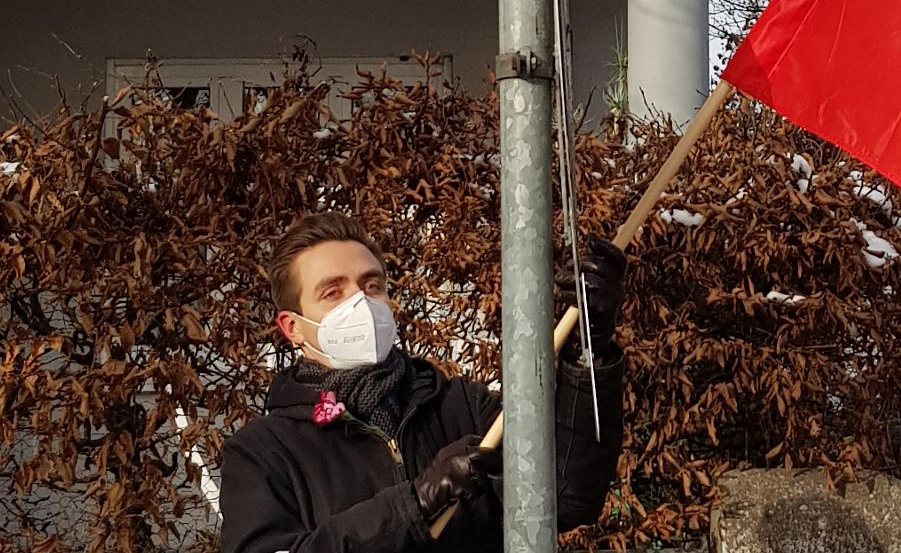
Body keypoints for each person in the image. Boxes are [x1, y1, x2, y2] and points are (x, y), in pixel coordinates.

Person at [219, 212, 626, 553]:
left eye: (371, 285)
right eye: (332, 292)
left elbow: (565, 494)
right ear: (292, 327)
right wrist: (414, 505)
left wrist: (585, 352)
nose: (360, 302)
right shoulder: (263, 452)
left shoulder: (460, 408)